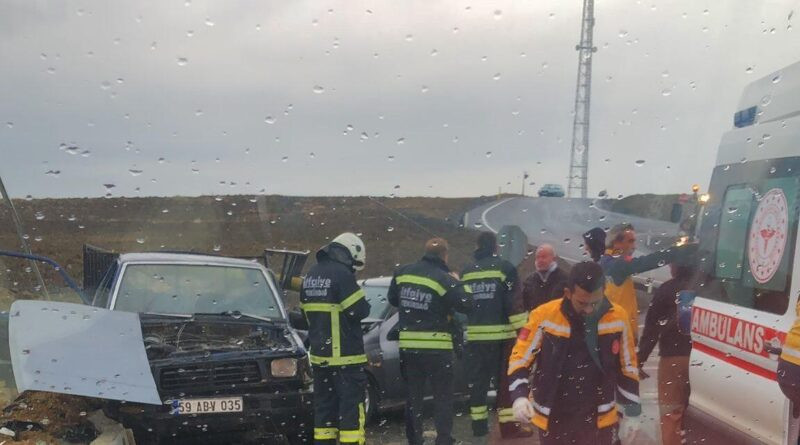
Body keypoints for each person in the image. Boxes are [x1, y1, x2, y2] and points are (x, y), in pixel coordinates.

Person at [508, 261, 647, 445]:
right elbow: (520, 358)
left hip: (600, 417)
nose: (589, 310)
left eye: (595, 303)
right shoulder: (544, 316)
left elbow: (628, 367)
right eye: (582, 303)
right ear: (568, 293)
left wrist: (632, 413)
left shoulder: (618, 318)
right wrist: (519, 396)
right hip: (555, 416)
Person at [387, 238, 473, 445]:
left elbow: (392, 299)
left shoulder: (403, 273)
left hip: (409, 350)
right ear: (445, 255)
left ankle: (414, 439)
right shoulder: (444, 279)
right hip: (437, 350)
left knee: (413, 398)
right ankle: (443, 439)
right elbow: (468, 304)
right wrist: (458, 281)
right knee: (442, 397)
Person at [300, 233, 371, 445]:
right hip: (346, 361)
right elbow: (360, 310)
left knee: (324, 416)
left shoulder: (311, 275)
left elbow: (307, 317)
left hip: (321, 360)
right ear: (350, 253)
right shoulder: (342, 275)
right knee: (351, 416)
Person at [461, 232, 531, 438]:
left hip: (475, 340)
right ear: (496, 247)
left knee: (479, 385)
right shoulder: (505, 269)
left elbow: (463, 305)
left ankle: (479, 429)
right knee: (504, 384)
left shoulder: (467, 272)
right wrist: (524, 334)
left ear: (477, 246)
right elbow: (514, 304)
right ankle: (509, 429)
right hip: (503, 339)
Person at [599, 223, 697, 338]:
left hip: (617, 332)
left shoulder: (608, 263)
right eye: (630, 241)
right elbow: (646, 262)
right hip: (614, 334)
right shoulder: (614, 265)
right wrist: (679, 251)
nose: (634, 246)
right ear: (616, 243)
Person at [637, 259, 695, 445]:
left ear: (677, 266)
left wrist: (640, 359)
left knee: (671, 412)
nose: (670, 267)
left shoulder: (666, 290)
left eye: (672, 263)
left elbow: (651, 329)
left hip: (673, 358)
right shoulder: (708, 290)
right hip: (703, 358)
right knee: (697, 413)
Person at [521, 244, 568, 311]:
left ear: (554, 259)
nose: (540, 260)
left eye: (543, 257)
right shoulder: (529, 281)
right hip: (535, 320)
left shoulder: (564, 279)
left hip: (555, 320)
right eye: (537, 257)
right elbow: (523, 305)